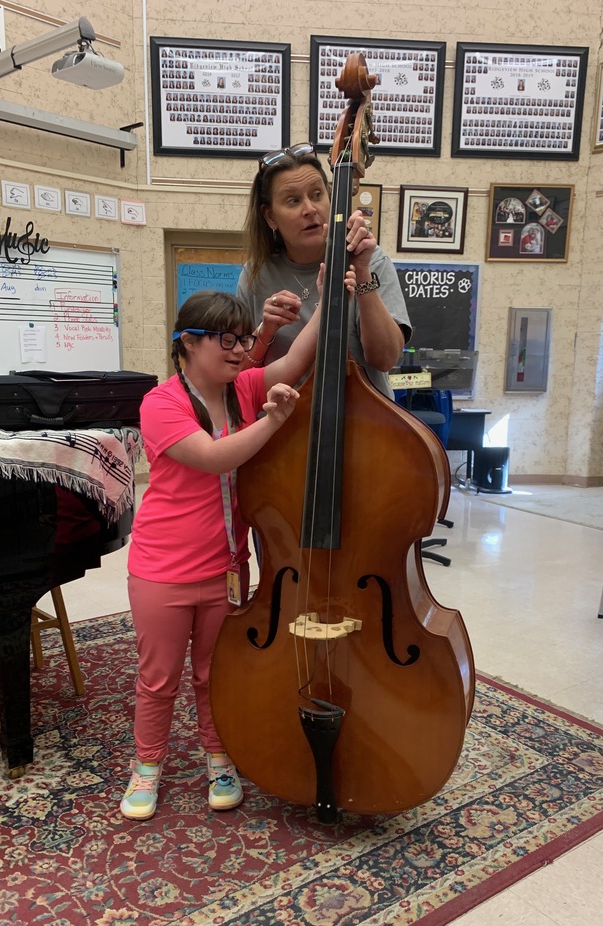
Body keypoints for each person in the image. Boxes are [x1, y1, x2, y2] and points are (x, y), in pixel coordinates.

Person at [120, 275, 353, 821]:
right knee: (159, 678)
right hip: (163, 570)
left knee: (213, 673)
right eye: (223, 339)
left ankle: (218, 758)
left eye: (242, 339)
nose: (239, 349)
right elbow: (216, 457)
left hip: (226, 566)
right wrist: (275, 419)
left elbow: (295, 358)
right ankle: (146, 766)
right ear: (187, 342)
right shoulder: (160, 403)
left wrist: (327, 297)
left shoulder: (243, 387)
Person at [237, 142, 411, 399]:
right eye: (293, 201)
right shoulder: (256, 275)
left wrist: (361, 273)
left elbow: (385, 360)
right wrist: (264, 333)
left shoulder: (371, 261)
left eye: (317, 194)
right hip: (284, 429)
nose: (309, 209)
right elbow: (237, 377)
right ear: (270, 216)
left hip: (369, 427)